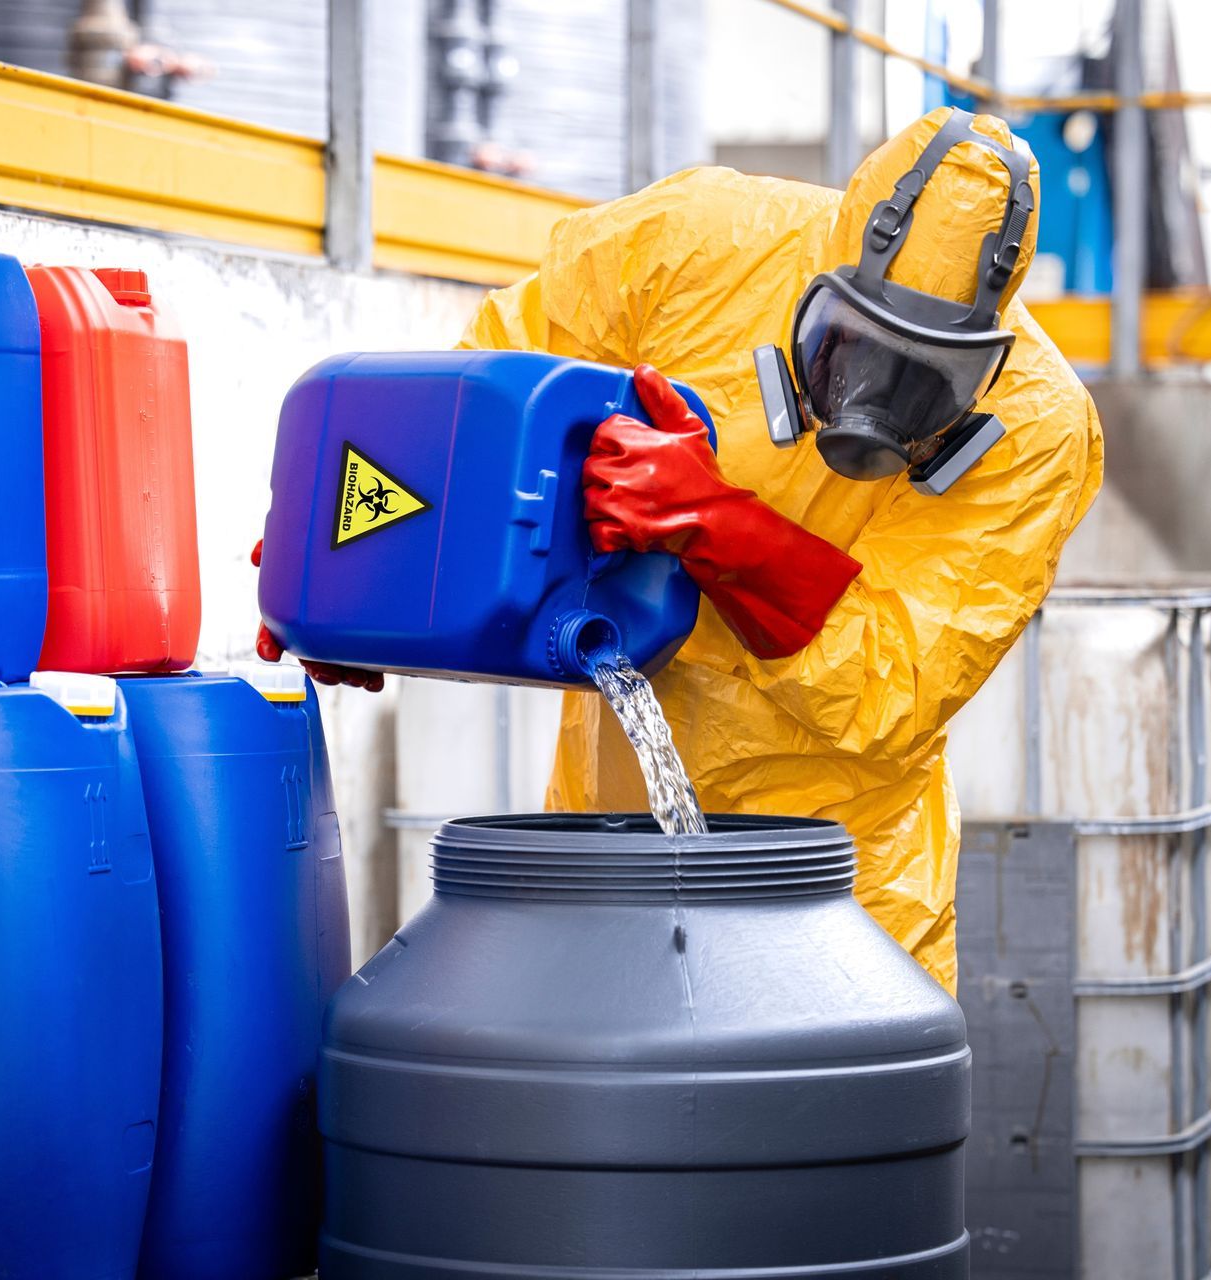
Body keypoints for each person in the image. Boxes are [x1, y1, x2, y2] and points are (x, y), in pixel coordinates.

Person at [266, 106, 1103, 993]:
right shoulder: (694, 247)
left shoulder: (1039, 430)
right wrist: (365, 583)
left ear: (986, 362)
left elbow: (891, 684)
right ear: (822, 266)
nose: (870, 400)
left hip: (837, 894)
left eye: (922, 377)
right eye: (849, 348)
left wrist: (715, 523)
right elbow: (485, 401)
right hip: (613, 845)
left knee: (821, 1126)